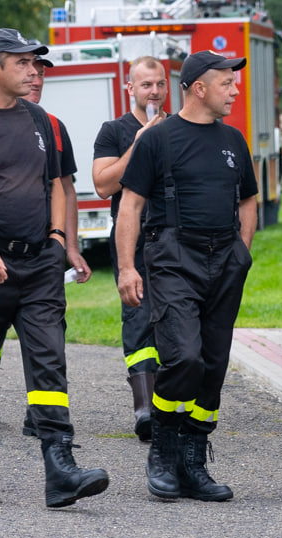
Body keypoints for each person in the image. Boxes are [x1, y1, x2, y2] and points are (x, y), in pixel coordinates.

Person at [0, 28, 108, 507]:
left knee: (49, 363)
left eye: (35, 63)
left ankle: (60, 467)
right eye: (24, 62)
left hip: (39, 266)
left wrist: (57, 239)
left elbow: (55, 185)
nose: (34, 71)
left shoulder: (41, 121)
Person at [117, 51, 257, 501]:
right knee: (185, 357)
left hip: (225, 260)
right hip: (174, 257)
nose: (235, 90)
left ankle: (193, 461)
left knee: (213, 365)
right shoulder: (157, 140)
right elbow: (131, 206)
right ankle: (163, 448)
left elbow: (248, 202)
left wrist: (242, 252)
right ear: (199, 87)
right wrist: (125, 267)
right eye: (227, 83)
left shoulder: (234, 140)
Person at [0, 50, 93, 433]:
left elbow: (67, 188)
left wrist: (68, 245)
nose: (37, 78)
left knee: (48, 339)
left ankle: (42, 416)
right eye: (31, 70)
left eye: (42, 72)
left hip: (43, 250)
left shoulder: (53, 126)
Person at [92, 56, 167, 442]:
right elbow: (103, 185)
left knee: (176, 323)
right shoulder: (114, 131)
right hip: (132, 240)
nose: (153, 91)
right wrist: (139, 145)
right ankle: (144, 408)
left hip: (174, 240)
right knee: (139, 319)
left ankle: (171, 405)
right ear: (130, 89)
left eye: (159, 84)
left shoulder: (179, 126)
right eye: (145, 85)